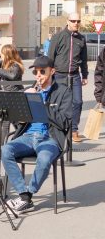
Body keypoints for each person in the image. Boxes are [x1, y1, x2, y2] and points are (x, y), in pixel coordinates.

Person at [1, 56, 71, 213]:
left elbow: (64, 122)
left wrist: (41, 103)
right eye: (35, 72)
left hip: (50, 138)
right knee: (5, 150)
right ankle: (23, 194)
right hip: (27, 136)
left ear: (52, 71)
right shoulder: (30, 89)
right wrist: (20, 111)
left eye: (42, 72)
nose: (38, 75)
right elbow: (18, 122)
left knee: (44, 159)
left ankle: (28, 195)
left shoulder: (63, 92)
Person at [47, 12, 88, 142]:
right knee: (58, 103)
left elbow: (84, 59)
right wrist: (48, 75)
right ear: (67, 21)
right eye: (73, 21)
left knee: (78, 102)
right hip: (59, 75)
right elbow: (50, 57)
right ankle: (58, 129)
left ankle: (74, 130)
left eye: (78, 21)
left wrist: (85, 75)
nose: (76, 23)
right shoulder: (58, 37)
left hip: (75, 75)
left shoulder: (81, 39)